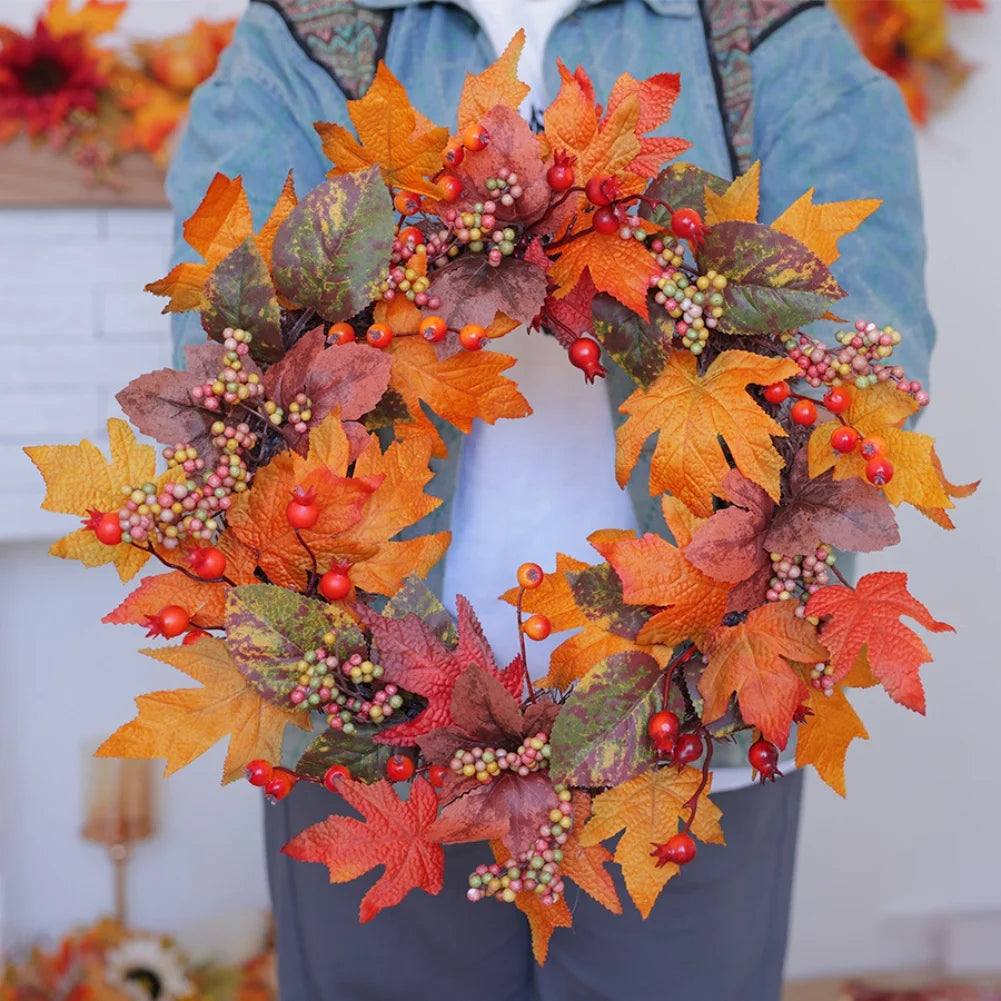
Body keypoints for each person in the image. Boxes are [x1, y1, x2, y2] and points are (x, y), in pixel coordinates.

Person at [167, 1, 935, 998]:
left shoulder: (757, 32)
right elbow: (228, 356)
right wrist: (426, 261)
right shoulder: (317, 31)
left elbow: (866, 376)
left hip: (682, 722)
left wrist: (647, 267)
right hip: (372, 705)